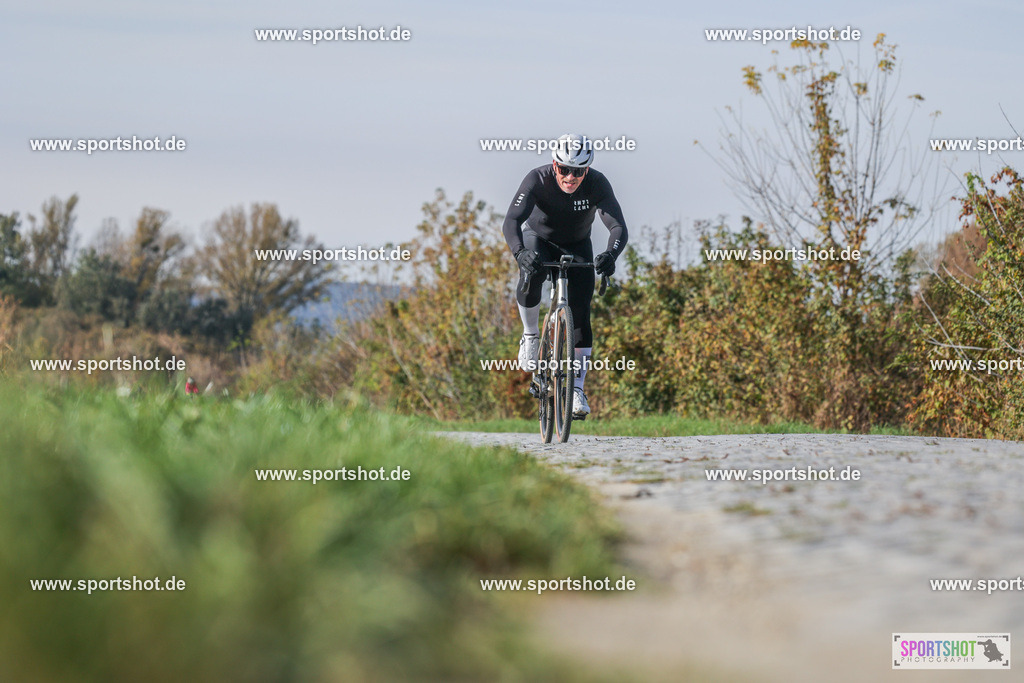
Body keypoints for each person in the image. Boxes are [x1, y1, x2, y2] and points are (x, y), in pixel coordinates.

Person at [502, 133, 628, 418]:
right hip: (538, 240)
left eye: (578, 171)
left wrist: (610, 255)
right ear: (554, 164)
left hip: (577, 244)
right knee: (531, 275)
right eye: (564, 169)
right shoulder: (537, 179)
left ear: (587, 170)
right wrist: (520, 252)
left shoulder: (597, 184)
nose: (570, 177)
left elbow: (618, 226)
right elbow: (511, 220)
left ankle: (576, 389)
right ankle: (531, 336)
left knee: (581, 313)